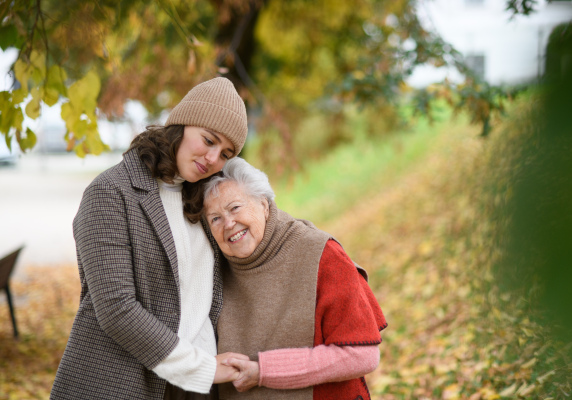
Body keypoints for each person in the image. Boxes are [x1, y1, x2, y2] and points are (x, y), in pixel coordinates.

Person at [51, 77, 250, 400]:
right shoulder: (111, 193)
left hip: (199, 387)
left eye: (226, 153)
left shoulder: (205, 201)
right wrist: (201, 367)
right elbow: (117, 309)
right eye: (208, 140)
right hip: (124, 383)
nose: (213, 158)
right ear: (181, 126)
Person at [202, 157, 387, 399]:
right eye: (215, 218)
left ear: (264, 204)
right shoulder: (211, 271)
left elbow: (362, 355)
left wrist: (264, 371)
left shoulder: (320, 253)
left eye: (235, 208)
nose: (228, 224)